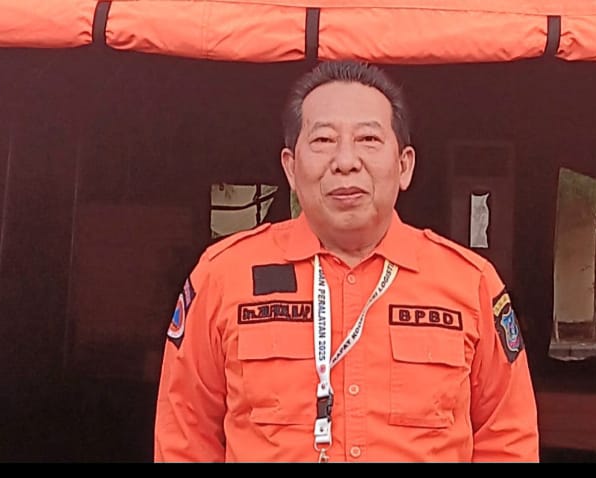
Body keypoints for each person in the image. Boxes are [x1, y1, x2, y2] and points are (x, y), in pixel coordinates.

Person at [153, 60, 540, 463]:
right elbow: (184, 434)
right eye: (323, 140)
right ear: (291, 167)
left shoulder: (470, 284)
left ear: (404, 166)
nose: (345, 161)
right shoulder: (223, 276)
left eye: (368, 139)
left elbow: (507, 439)